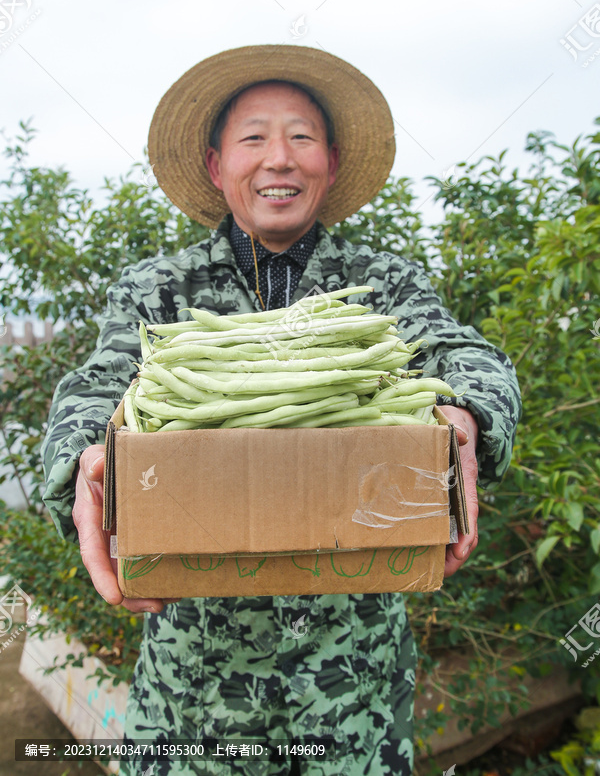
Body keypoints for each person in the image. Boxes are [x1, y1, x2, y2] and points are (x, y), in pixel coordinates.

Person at [41, 45, 521, 776]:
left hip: (352, 697)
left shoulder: (379, 286)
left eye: (301, 137)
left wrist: (464, 416)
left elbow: (467, 357)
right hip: (193, 705)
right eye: (254, 137)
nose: (279, 158)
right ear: (214, 165)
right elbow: (96, 387)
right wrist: (82, 459)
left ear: (328, 161)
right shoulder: (159, 293)